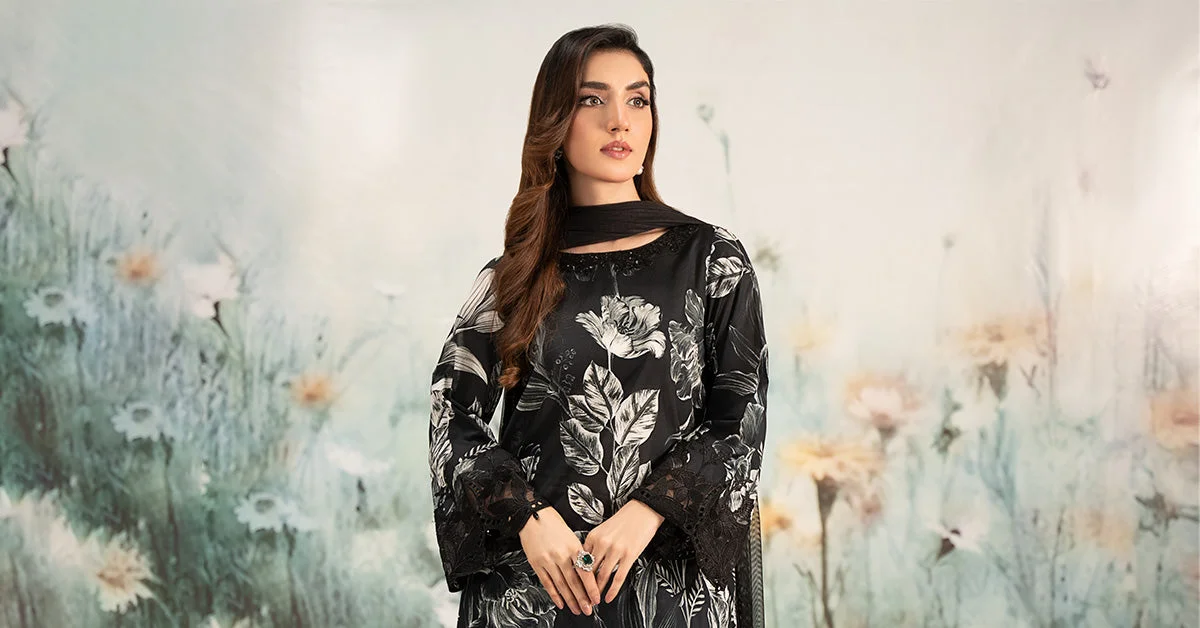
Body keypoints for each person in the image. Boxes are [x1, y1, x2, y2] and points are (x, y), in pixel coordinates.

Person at [429, 23, 768, 628]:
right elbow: (451, 414)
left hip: (669, 592)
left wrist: (648, 512)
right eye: (593, 99)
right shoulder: (514, 275)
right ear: (556, 124)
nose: (620, 121)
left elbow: (739, 421)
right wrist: (528, 520)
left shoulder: (711, 260)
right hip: (533, 592)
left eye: (637, 100)